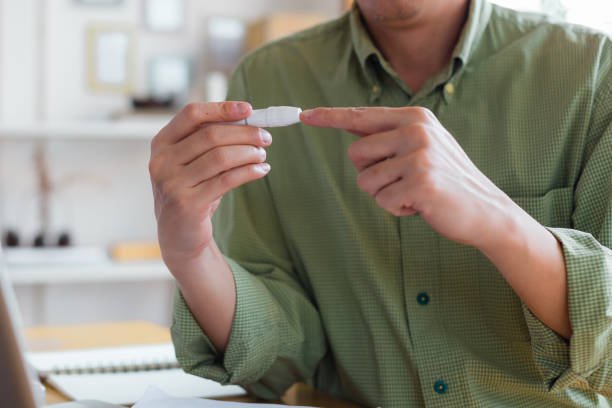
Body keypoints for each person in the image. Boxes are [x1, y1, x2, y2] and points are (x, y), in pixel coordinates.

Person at [148, 0, 612, 406]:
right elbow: (274, 364)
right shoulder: (268, 77)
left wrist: (498, 222)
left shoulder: (593, 71)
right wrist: (192, 257)